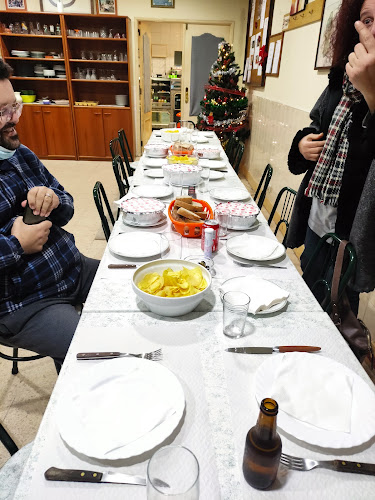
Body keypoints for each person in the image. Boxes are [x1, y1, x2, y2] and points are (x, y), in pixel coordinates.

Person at [0, 60, 99, 371]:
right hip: (24, 302)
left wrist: (54, 201)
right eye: (2, 113)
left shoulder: (20, 154)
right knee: (96, 349)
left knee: (134, 287)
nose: (14, 120)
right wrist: (17, 244)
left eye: (14, 106)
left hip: (71, 268)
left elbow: (67, 203)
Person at [286, 0, 375, 314]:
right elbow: (316, 125)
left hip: (351, 236)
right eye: (367, 20)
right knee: (307, 300)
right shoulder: (339, 84)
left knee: (338, 314)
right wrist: (301, 146)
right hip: (316, 217)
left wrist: (372, 93)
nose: (373, 31)